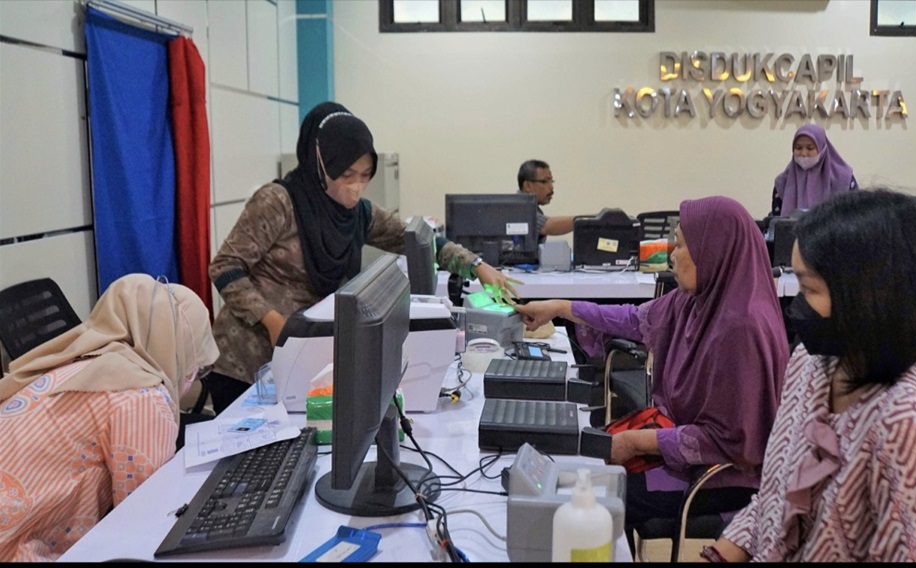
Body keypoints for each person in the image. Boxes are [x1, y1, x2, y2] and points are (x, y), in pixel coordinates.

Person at [514, 196, 789, 555]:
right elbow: (632, 318)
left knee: (598, 496)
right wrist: (561, 307)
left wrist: (634, 442)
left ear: (714, 249)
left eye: (682, 244)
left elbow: (730, 442)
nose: (672, 254)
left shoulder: (742, 330)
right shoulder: (697, 301)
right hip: (682, 447)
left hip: (723, 474)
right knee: (587, 476)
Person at [705, 189, 916, 562]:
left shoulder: (910, 427)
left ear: (870, 299)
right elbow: (774, 497)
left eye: (810, 288)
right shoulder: (812, 364)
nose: (797, 303)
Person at [207, 102, 520, 410]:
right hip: (247, 363)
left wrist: (476, 266)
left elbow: (418, 239)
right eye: (346, 174)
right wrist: (273, 321)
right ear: (320, 164)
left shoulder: (357, 215)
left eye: (365, 174)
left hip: (301, 357)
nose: (356, 186)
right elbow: (225, 267)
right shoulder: (278, 202)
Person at [0, 273, 218, 562]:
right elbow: (144, 514)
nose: (192, 375)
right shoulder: (142, 395)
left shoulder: (80, 360)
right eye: (196, 365)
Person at [769, 123, 858, 218]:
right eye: (798, 148)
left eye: (810, 148)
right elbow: (776, 223)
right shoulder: (782, 183)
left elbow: (857, 217)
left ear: (822, 149)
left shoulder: (844, 179)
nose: (803, 153)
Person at [517, 159, 577, 243]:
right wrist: (587, 221)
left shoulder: (531, 207)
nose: (551, 187)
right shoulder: (519, 208)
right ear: (527, 186)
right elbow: (548, 226)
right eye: (544, 181)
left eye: (551, 181)